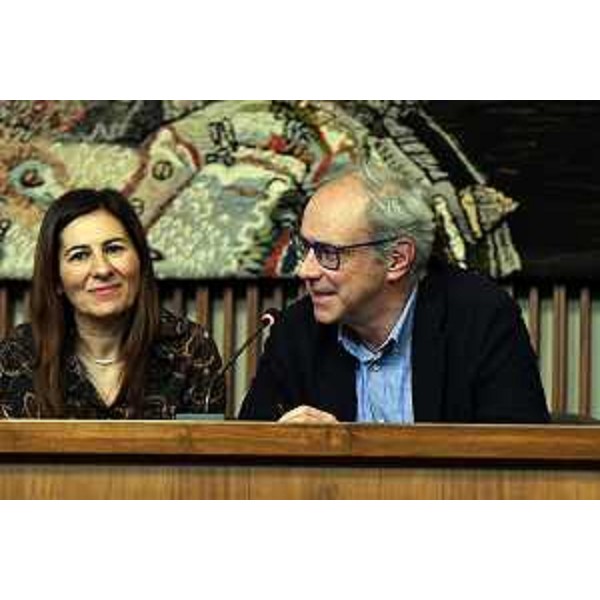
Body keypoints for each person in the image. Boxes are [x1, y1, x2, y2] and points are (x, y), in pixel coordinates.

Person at [239, 155, 549, 424]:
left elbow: (518, 456)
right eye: (304, 247)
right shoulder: (296, 330)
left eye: (328, 253)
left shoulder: (481, 318)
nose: (305, 270)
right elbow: (249, 452)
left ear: (397, 259)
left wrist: (346, 448)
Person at [0, 188, 224, 419]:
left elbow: (206, 442)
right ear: (56, 279)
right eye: (79, 255)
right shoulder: (20, 356)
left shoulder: (190, 350)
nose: (102, 269)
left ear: (141, 261)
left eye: (114, 249)